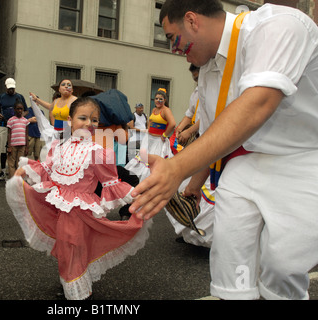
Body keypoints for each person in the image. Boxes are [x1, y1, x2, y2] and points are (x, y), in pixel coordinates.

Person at [130, 0, 318, 300]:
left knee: (282, 269)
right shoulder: (207, 72)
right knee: (231, 266)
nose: (173, 49)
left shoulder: (277, 25)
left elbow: (257, 103)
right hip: (245, 167)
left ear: (192, 21)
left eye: (170, 37)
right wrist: (191, 187)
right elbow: (214, 135)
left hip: (304, 161)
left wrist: (176, 168)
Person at [5, 97, 151, 300]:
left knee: (73, 246)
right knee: (68, 248)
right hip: (60, 208)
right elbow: (47, 169)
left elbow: (111, 183)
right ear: (70, 121)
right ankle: (74, 286)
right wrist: (25, 170)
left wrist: (135, 195)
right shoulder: (58, 147)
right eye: (83, 118)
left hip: (80, 212)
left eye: (94, 120)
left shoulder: (99, 152)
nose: (89, 124)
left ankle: (78, 293)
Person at [125, 88, 176, 181]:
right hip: (149, 139)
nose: (158, 101)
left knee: (154, 162)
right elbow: (150, 121)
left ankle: (151, 182)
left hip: (158, 141)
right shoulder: (154, 109)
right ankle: (137, 181)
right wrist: (148, 129)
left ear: (165, 100)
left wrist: (164, 135)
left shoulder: (166, 110)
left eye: (161, 99)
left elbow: (172, 124)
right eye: (156, 98)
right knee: (143, 159)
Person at [0, 78, 28, 181]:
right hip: (4, 124)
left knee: (16, 151)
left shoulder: (20, 97)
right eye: (9, 88)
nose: (11, 90)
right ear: (6, 87)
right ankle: (3, 172)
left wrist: (20, 117)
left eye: (12, 88)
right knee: (4, 149)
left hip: (17, 127)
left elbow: (26, 111)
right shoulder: (1, 97)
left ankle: (16, 174)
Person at [175, 64, 200, 146]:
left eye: (197, 78)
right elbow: (190, 114)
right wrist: (179, 129)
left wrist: (189, 131)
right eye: (194, 78)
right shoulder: (196, 92)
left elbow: (207, 118)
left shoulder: (212, 91)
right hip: (196, 136)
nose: (196, 81)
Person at [6, 100, 30, 178]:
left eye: (21, 109)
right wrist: (9, 146)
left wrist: (27, 147)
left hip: (22, 146)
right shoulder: (11, 120)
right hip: (13, 145)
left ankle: (19, 180)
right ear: (14, 109)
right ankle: (12, 180)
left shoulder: (25, 121)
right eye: (18, 109)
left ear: (23, 110)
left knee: (20, 163)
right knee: (11, 163)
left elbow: (26, 134)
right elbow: (9, 134)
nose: (19, 110)